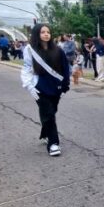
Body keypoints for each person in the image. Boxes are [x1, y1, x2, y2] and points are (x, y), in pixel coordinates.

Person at [21, 23, 71, 156]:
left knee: (51, 112)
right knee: (48, 113)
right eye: (43, 32)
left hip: (56, 87)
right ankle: (53, 143)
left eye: (48, 32)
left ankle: (45, 133)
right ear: (37, 34)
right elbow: (26, 67)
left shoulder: (58, 50)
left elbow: (65, 68)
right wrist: (29, 85)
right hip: (40, 87)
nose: (46, 34)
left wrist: (66, 84)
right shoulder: (30, 49)